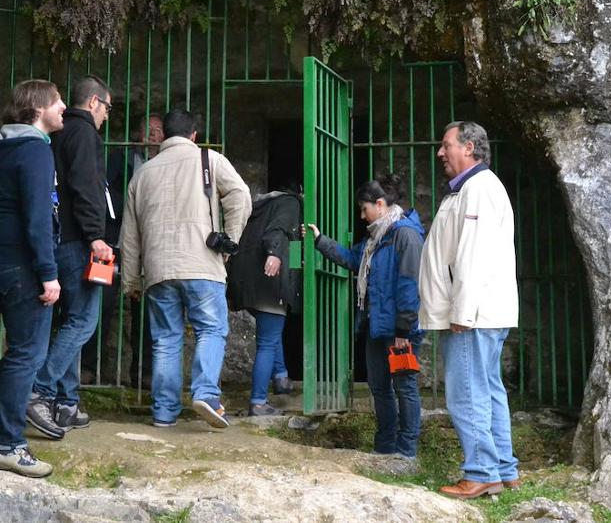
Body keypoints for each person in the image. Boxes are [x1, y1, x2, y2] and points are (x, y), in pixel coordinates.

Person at [120, 109, 251, 428]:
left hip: (157, 269)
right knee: (210, 328)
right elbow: (240, 195)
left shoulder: (143, 174)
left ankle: (164, 412)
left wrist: (130, 281)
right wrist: (229, 241)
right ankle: (206, 393)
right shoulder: (210, 160)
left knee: (165, 338)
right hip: (202, 263)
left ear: (163, 134)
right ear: (194, 135)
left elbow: (129, 235)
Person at [0, 79, 66, 479]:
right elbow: (38, 218)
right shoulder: (34, 150)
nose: (63, 107)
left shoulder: (2, 148)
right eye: (58, 101)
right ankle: (10, 444)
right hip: (23, 266)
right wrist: (48, 273)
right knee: (29, 353)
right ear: (38, 107)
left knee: (18, 352)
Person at [420, 121, 520, 499]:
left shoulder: (477, 189)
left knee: (466, 393)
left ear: (470, 148)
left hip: (471, 316)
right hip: (482, 312)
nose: (440, 153)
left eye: (446, 145)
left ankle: (481, 471)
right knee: (489, 389)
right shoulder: (471, 189)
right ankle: (504, 469)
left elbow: (472, 255)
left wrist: (461, 313)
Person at [306, 173, 424, 460]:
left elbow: (410, 284)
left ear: (380, 204)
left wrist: (403, 328)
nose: (362, 215)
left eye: (364, 208)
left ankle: (407, 450)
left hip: (399, 329)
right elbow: (351, 259)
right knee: (380, 388)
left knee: (404, 387)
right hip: (375, 325)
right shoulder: (376, 240)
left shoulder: (405, 235)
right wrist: (321, 240)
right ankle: (385, 448)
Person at [27, 76, 114, 438]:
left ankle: (66, 401)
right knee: (83, 321)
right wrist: (97, 236)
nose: (108, 116)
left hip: (57, 238)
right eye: (108, 108)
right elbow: (85, 187)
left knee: (68, 323)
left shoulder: (58, 134)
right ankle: (40, 391)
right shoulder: (83, 134)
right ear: (94, 102)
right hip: (78, 240)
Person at [85, 113, 164, 386]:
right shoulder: (118, 158)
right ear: (136, 134)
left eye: (157, 130)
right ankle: (89, 368)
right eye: (147, 129)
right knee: (98, 303)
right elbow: (101, 191)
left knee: (145, 311)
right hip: (108, 243)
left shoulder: (166, 165)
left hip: (146, 248)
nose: (152, 134)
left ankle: (143, 373)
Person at [227, 184, 302, 416]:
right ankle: (258, 402)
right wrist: (274, 253)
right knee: (267, 343)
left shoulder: (258, 207)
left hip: (248, 282)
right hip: (269, 281)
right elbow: (277, 230)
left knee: (271, 332)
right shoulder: (291, 203)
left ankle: (281, 378)